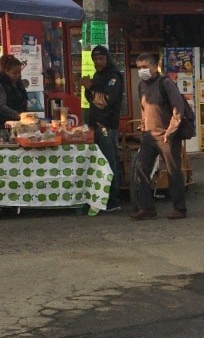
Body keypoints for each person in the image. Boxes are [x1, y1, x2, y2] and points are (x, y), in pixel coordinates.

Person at [130, 51, 188, 221]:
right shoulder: (141, 85)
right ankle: (147, 208)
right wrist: (143, 126)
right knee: (141, 168)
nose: (142, 70)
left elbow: (178, 109)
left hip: (166, 136)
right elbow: (143, 108)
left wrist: (171, 131)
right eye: (139, 67)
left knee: (173, 171)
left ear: (155, 67)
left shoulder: (166, 83)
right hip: (148, 135)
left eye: (145, 67)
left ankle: (180, 208)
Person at [81, 44, 123, 212]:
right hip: (95, 124)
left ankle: (113, 200)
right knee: (99, 164)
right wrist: (88, 88)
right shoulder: (98, 75)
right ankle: (102, 198)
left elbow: (105, 101)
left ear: (107, 58)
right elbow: (92, 99)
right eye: (95, 59)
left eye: (101, 58)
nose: (98, 62)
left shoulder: (113, 76)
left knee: (109, 162)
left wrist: (89, 87)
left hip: (107, 126)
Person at [0, 54, 28, 133]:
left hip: (17, 124)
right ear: (6, 71)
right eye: (14, 73)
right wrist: (18, 115)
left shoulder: (18, 84)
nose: (18, 75)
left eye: (19, 72)